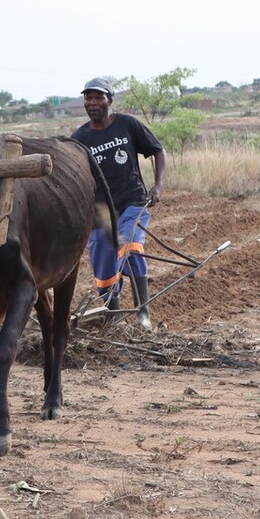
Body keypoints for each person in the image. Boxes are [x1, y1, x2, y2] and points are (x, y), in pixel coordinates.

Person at [70, 77, 165, 331]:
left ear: (109, 100)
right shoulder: (79, 138)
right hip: (101, 210)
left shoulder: (127, 124)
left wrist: (157, 186)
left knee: (130, 244)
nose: (93, 102)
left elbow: (157, 150)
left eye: (98, 97)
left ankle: (143, 313)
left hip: (132, 200)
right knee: (102, 255)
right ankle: (112, 315)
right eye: (88, 98)